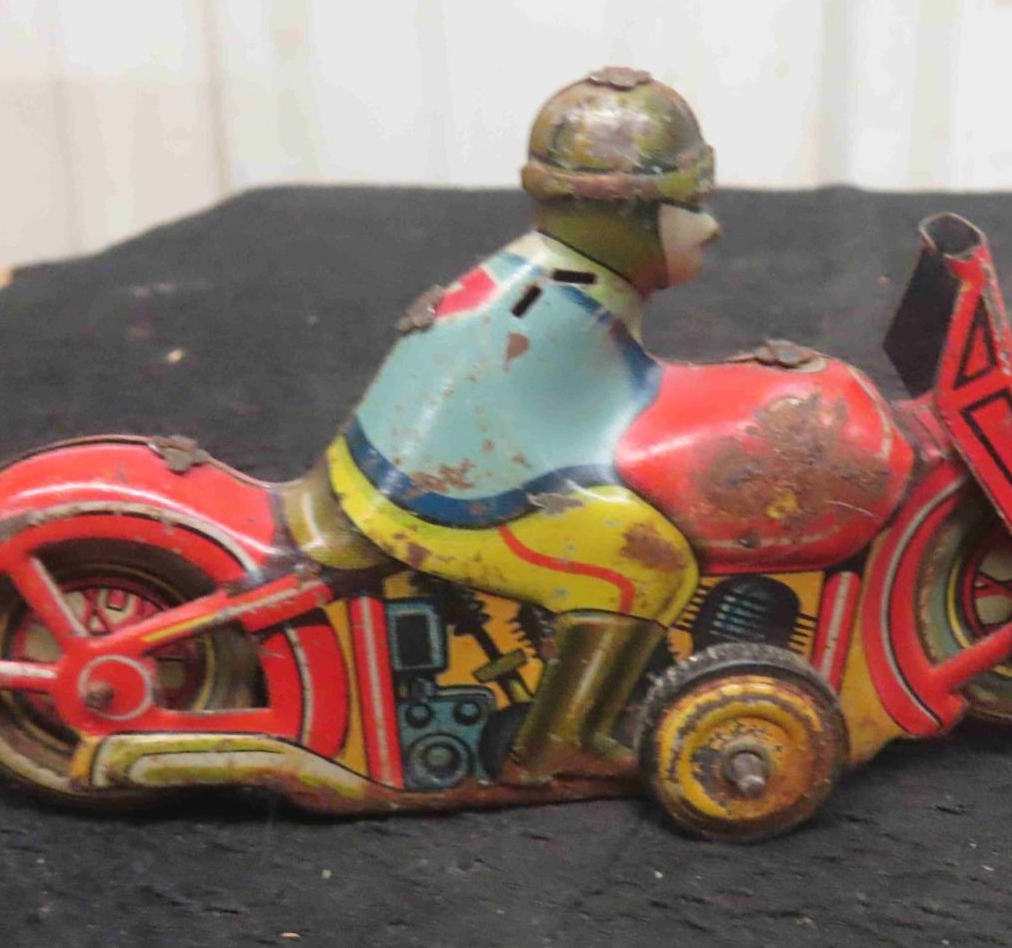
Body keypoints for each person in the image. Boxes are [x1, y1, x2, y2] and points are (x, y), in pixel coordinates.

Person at [293, 67, 722, 781]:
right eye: (688, 206)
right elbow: (623, 402)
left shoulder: (549, 274)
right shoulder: (563, 301)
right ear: (623, 216)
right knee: (648, 562)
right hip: (437, 497)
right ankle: (559, 741)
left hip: (415, 464)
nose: (709, 227)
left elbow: (606, 396)